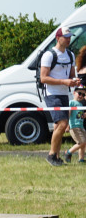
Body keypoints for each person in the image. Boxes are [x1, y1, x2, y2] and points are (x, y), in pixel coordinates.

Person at [41, 27, 77, 166]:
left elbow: (71, 76)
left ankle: (56, 156)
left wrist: (74, 81)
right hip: (51, 94)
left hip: (63, 93)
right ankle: (51, 155)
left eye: (70, 36)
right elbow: (43, 78)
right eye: (66, 36)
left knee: (58, 126)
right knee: (63, 124)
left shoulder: (70, 55)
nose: (69, 39)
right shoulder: (49, 55)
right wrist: (64, 81)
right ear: (58, 38)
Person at [65, 86, 86, 163]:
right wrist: (67, 125)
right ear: (74, 93)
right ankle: (69, 152)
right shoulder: (72, 102)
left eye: (83, 95)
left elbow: (80, 115)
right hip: (74, 126)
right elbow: (69, 114)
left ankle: (81, 159)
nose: (81, 96)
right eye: (79, 93)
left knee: (84, 143)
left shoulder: (81, 104)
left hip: (81, 126)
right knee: (81, 142)